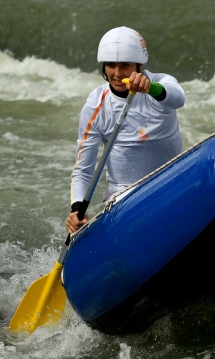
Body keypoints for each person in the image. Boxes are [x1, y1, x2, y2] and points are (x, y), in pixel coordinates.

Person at [66, 26, 186, 234]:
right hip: (125, 195)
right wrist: (77, 209)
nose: (117, 73)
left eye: (125, 65)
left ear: (139, 65)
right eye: (111, 65)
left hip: (171, 183)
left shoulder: (160, 84)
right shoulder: (95, 106)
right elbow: (84, 168)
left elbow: (178, 98)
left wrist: (150, 88)